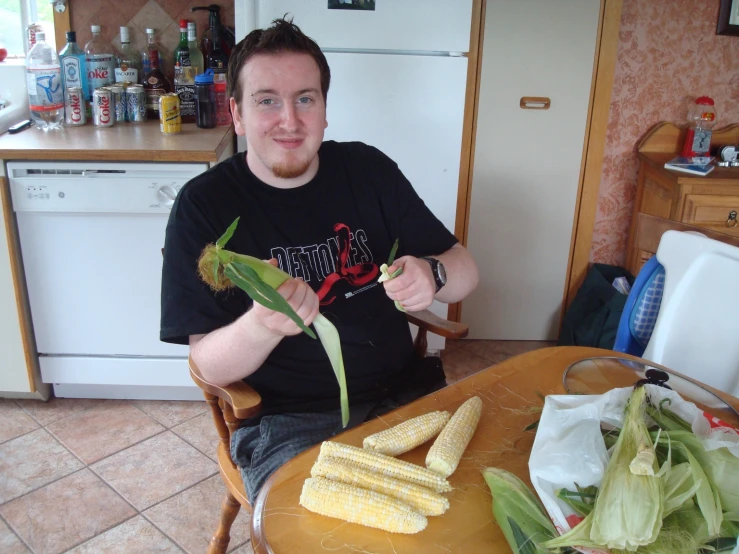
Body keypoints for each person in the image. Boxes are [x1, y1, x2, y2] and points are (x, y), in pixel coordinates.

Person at [160, 17, 479, 503]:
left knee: (470, 508)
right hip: (288, 423)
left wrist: (433, 276)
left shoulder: (367, 170)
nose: (289, 120)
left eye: (305, 99)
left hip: (405, 397)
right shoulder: (204, 205)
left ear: (325, 110)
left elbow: (465, 270)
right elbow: (208, 364)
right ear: (238, 115)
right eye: (267, 100)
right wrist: (261, 327)